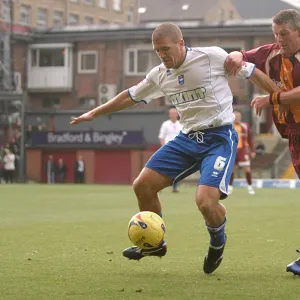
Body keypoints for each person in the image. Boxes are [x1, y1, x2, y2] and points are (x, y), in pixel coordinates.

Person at [70, 23, 278, 274]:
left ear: (181, 44)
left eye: (166, 49)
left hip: (219, 137)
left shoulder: (211, 56)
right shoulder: (160, 73)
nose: (162, 55)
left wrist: (280, 97)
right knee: (142, 185)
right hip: (187, 139)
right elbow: (129, 96)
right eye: (157, 51)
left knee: (205, 202)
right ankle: (155, 244)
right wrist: (94, 112)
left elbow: (252, 72)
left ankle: (217, 242)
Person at [225, 9, 300, 275]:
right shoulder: (272, 53)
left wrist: (272, 100)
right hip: (294, 131)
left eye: (284, 34)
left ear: (299, 31)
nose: (279, 39)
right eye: (275, 33)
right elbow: (244, 57)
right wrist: (235, 56)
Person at [228, 111, 256, 195]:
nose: (237, 118)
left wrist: (253, 150)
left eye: (238, 116)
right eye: (235, 116)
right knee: (232, 170)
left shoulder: (245, 126)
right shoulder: (229, 126)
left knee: (247, 169)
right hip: (232, 150)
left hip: (242, 150)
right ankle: (229, 187)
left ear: (241, 117)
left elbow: (250, 139)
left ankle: (250, 187)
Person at [158, 107, 183, 192]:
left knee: (176, 169)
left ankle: (174, 188)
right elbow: (161, 137)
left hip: (178, 150)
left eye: (174, 113)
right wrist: (163, 148)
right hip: (167, 149)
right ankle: (158, 186)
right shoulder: (165, 124)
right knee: (162, 168)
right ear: (169, 115)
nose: (172, 115)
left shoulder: (181, 125)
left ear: (177, 114)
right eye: (171, 113)